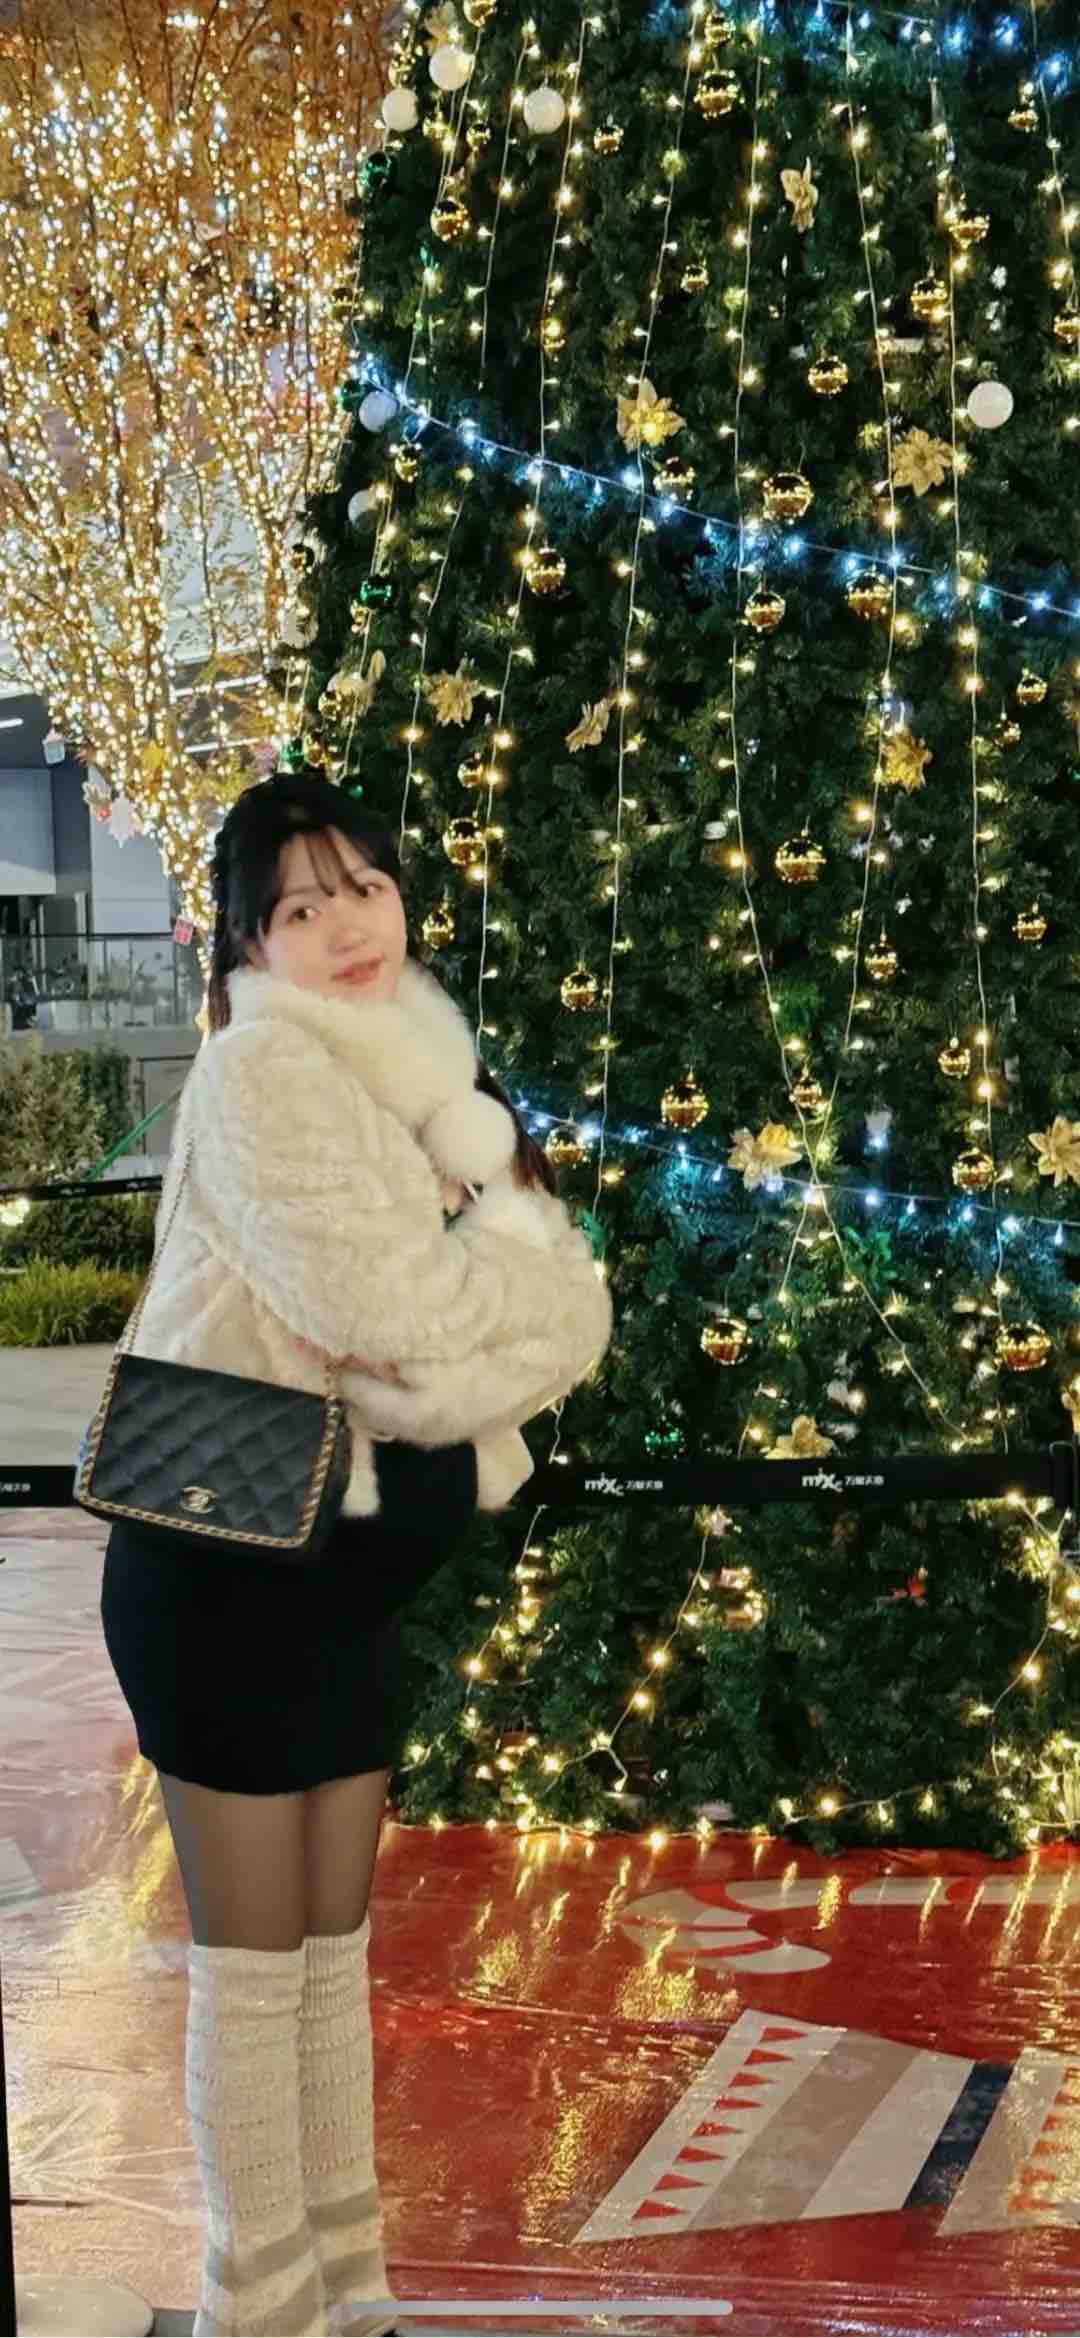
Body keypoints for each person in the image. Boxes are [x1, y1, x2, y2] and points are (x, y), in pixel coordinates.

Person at [98, 769, 613, 2338]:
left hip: (341, 1581)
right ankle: (260, 2306)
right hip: (231, 1573)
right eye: (300, 905)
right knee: (259, 1975)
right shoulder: (267, 1071)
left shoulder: (417, 1070)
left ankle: (345, 2288)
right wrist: (543, 1311)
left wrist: (511, 1312)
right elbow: (393, 1319)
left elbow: (502, 1309)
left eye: (364, 887)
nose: (345, 924)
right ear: (251, 944)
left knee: (328, 1964)